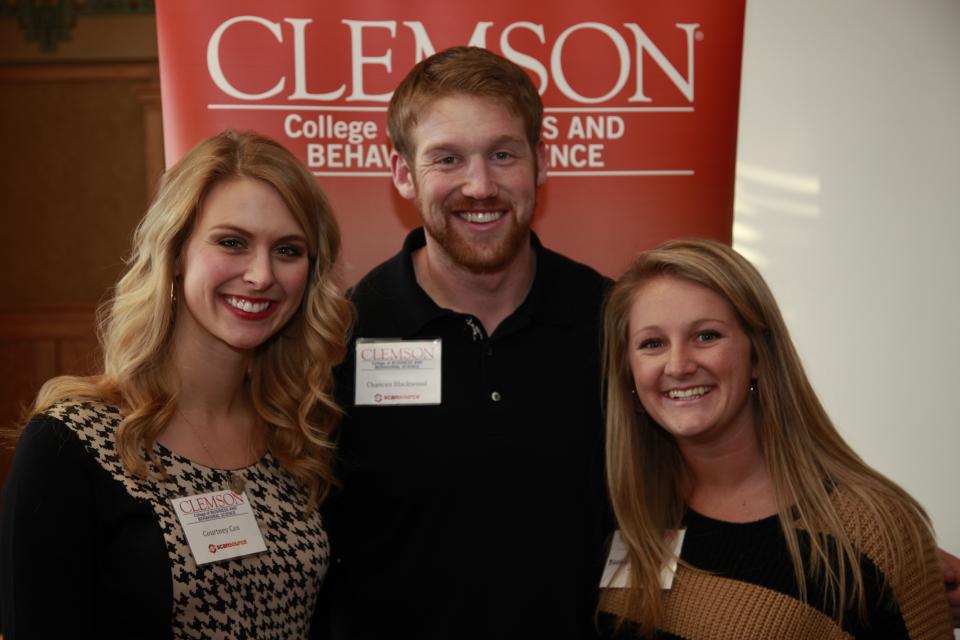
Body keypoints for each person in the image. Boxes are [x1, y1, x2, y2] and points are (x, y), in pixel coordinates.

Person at [0, 130, 352, 639]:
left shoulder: (298, 436)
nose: (261, 274)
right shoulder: (73, 442)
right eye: (231, 242)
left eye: (288, 250)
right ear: (176, 251)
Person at [322, 46, 611, 639]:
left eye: (503, 154)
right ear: (404, 174)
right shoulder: (336, 338)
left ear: (541, 163)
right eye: (447, 159)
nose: (480, 186)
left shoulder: (615, 321)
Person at [598, 238, 954, 638]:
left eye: (707, 336)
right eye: (653, 344)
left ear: (759, 356)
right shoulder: (624, 509)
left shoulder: (871, 529)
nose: (678, 365)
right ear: (628, 371)